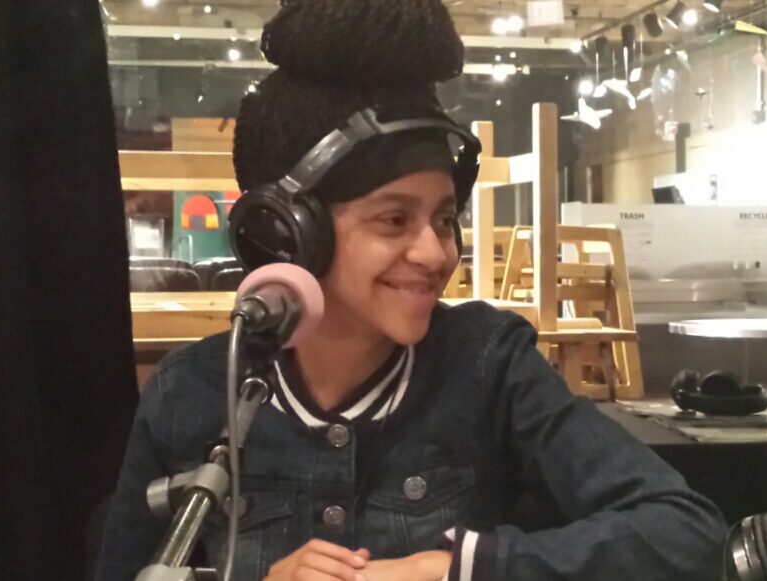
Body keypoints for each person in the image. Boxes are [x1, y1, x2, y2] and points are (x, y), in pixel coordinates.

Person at [96, 0, 727, 579]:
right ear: (288, 234)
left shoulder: (489, 365)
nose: (436, 252)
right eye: (394, 219)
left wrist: (458, 570)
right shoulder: (192, 394)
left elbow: (685, 531)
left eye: (445, 219)